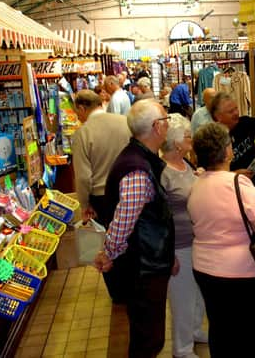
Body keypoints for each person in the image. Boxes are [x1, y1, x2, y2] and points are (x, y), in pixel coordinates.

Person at [94, 99, 174, 358]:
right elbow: (123, 220)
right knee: (147, 337)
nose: (168, 124)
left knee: (146, 332)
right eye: (165, 119)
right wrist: (109, 253)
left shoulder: (139, 158)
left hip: (147, 262)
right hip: (143, 266)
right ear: (156, 127)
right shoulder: (138, 169)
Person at [188, 122, 255, 358]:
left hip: (204, 269)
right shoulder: (239, 183)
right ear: (226, 151)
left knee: (220, 328)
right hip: (240, 273)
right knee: (247, 334)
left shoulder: (197, 183)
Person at [160, 114, 207, 358]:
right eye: (187, 136)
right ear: (176, 143)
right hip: (179, 245)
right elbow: (161, 218)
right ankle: (182, 347)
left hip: (195, 240)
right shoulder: (164, 173)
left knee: (197, 293)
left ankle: (195, 330)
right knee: (182, 298)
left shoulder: (185, 163)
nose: (191, 139)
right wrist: (169, 254)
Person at [71, 90, 131, 227]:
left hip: (102, 198)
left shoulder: (83, 133)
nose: (78, 117)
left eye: (77, 112)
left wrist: (85, 205)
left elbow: (83, 177)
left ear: (82, 108)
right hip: (130, 190)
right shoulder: (125, 122)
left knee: (108, 240)